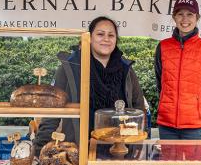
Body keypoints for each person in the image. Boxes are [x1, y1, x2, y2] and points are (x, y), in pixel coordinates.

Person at [33, 16, 145, 153]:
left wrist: (138, 144)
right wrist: (39, 150)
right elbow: (52, 111)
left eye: (111, 35)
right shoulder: (71, 66)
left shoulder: (126, 68)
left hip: (119, 150)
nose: (106, 39)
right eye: (100, 34)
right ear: (90, 38)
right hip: (79, 150)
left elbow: (138, 107)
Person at [154, 0, 201, 142]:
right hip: (166, 124)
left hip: (195, 126)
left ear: (197, 18)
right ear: (174, 17)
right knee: (168, 164)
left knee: (195, 164)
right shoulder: (163, 47)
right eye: (180, 14)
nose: (184, 19)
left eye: (190, 14)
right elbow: (161, 84)